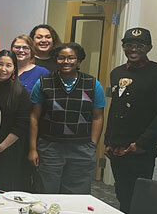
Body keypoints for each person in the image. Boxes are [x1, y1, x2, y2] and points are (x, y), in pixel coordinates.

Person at [105, 28, 157, 213]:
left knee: (138, 198)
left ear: (149, 47)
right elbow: (115, 109)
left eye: (140, 45)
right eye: (129, 45)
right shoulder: (117, 73)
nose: (134, 49)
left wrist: (142, 142)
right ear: (123, 47)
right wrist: (108, 141)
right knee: (122, 195)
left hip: (141, 149)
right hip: (117, 148)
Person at [27, 43, 106, 194]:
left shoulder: (93, 84)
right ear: (56, 60)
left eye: (71, 58)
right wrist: (33, 149)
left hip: (82, 149)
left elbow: (98, 117)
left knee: (77, 196)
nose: (66, 61)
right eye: (61, 58)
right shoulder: (43, 83)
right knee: (46, 193)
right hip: (50, 148)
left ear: (79, 61)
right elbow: (34, 117)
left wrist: (92, 145)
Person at [0, 50, 32, 191]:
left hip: (8, 149)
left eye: (8, 65)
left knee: (3, 190)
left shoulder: (20, 92)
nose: (3, 69)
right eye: (0, 64)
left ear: (14, 68)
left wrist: (0, 147)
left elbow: (21, 125)